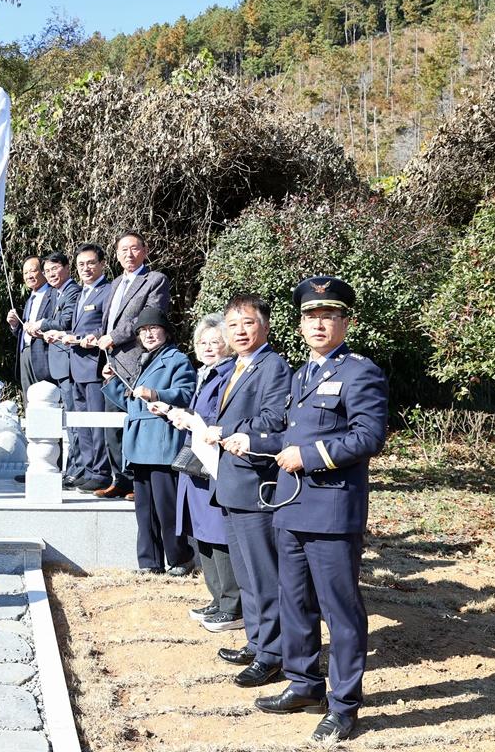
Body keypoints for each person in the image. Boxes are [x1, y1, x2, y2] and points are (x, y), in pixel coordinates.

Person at [235, 277, 388, 743]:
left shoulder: (361, 372)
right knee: (293, 601)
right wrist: (254, 442)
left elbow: (368, 437)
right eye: (310, 317)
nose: (318, 324)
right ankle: (304, 685)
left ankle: (344, 706)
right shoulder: (303, 374)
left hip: (332, 510)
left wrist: (311, 456)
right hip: (291, 505)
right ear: (300, 324)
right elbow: (290, 435)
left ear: (346, 322)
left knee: (339, 610)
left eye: (328, 316)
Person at [201, 293, 292, 688]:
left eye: (248, 323)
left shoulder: (273, 366)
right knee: (246, 574)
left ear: (265, 326)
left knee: (263, 573)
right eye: (233, 325)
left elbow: (275, 418)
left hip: (256, 483)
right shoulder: (237, 366)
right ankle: (257, 642)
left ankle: (274, 654)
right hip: (233, 483)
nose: (239, 331)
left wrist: (235, 432)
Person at [101, 307, 196, 574]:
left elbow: (188, 393)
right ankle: (149, 563)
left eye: (154, 328)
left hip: (163, 442)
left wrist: (156, 393)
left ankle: (180, 559)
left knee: (167, 509)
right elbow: (133, 403)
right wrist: (112, 382)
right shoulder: (145, 361)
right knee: (144, 511)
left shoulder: (176, 360)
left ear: (165, 331)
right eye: (143, 330)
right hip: (140, 443)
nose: (149, 334)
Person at [164, 314, 243, 632]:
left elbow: (219, 417)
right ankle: (217, 598)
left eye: (215, 342)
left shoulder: (228, 375)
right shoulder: (204, 373)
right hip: (196, 462)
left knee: (218, 534)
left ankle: (232, 604)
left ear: (227, 345)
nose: (208, 347)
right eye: (202, 342)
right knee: (202, 532)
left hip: (214, 463)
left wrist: (193, 420)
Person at [94, 232, 170, 499]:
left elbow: (146, 317)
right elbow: (108, 321)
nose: (128, 254)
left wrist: (112, 337)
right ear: (116, 254)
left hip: (139, 361)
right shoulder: (114, 284)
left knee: (139, 422)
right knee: (112, 426)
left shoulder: (155, 280)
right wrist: (100, 338)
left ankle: (140, 483)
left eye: (134, 248)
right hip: (112, 362)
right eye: (123, 250)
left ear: (145, 250)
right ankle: (121, 480)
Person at [45, 244, 112, 492]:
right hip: (75, 365)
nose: (86, 268)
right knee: (80, 422)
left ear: (103, 263)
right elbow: (74, 327)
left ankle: (101, 471)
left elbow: (107, 326)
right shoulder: (83, 292)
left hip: (94, 366)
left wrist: (88, 337)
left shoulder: (108, 291)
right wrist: (63, 335)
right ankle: (88, 467)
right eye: (82, 264)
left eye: (91, 263)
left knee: (96, 422)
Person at [32, 251, 81, 482]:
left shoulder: (73, 291)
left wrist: (42, 324)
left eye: (55, 268)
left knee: (75, 421)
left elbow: (66, 322)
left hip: (71, 364)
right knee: (66, 422)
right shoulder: (55, 293)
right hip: (58, 364)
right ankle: (70, 468)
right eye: (48, 270)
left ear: (67, 267)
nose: (51, 274)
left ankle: (78, 469)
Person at [6, 256, 53, 404]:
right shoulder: (30, 299)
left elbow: (57, 323)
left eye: (33, 271)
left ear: (43, 272)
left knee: (46, 401)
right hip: (24, 355)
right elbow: (24, 330)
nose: (29, 276)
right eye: (25, 273)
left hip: (43, 357)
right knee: (29, 401)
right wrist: (15, 325)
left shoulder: (53, 295)